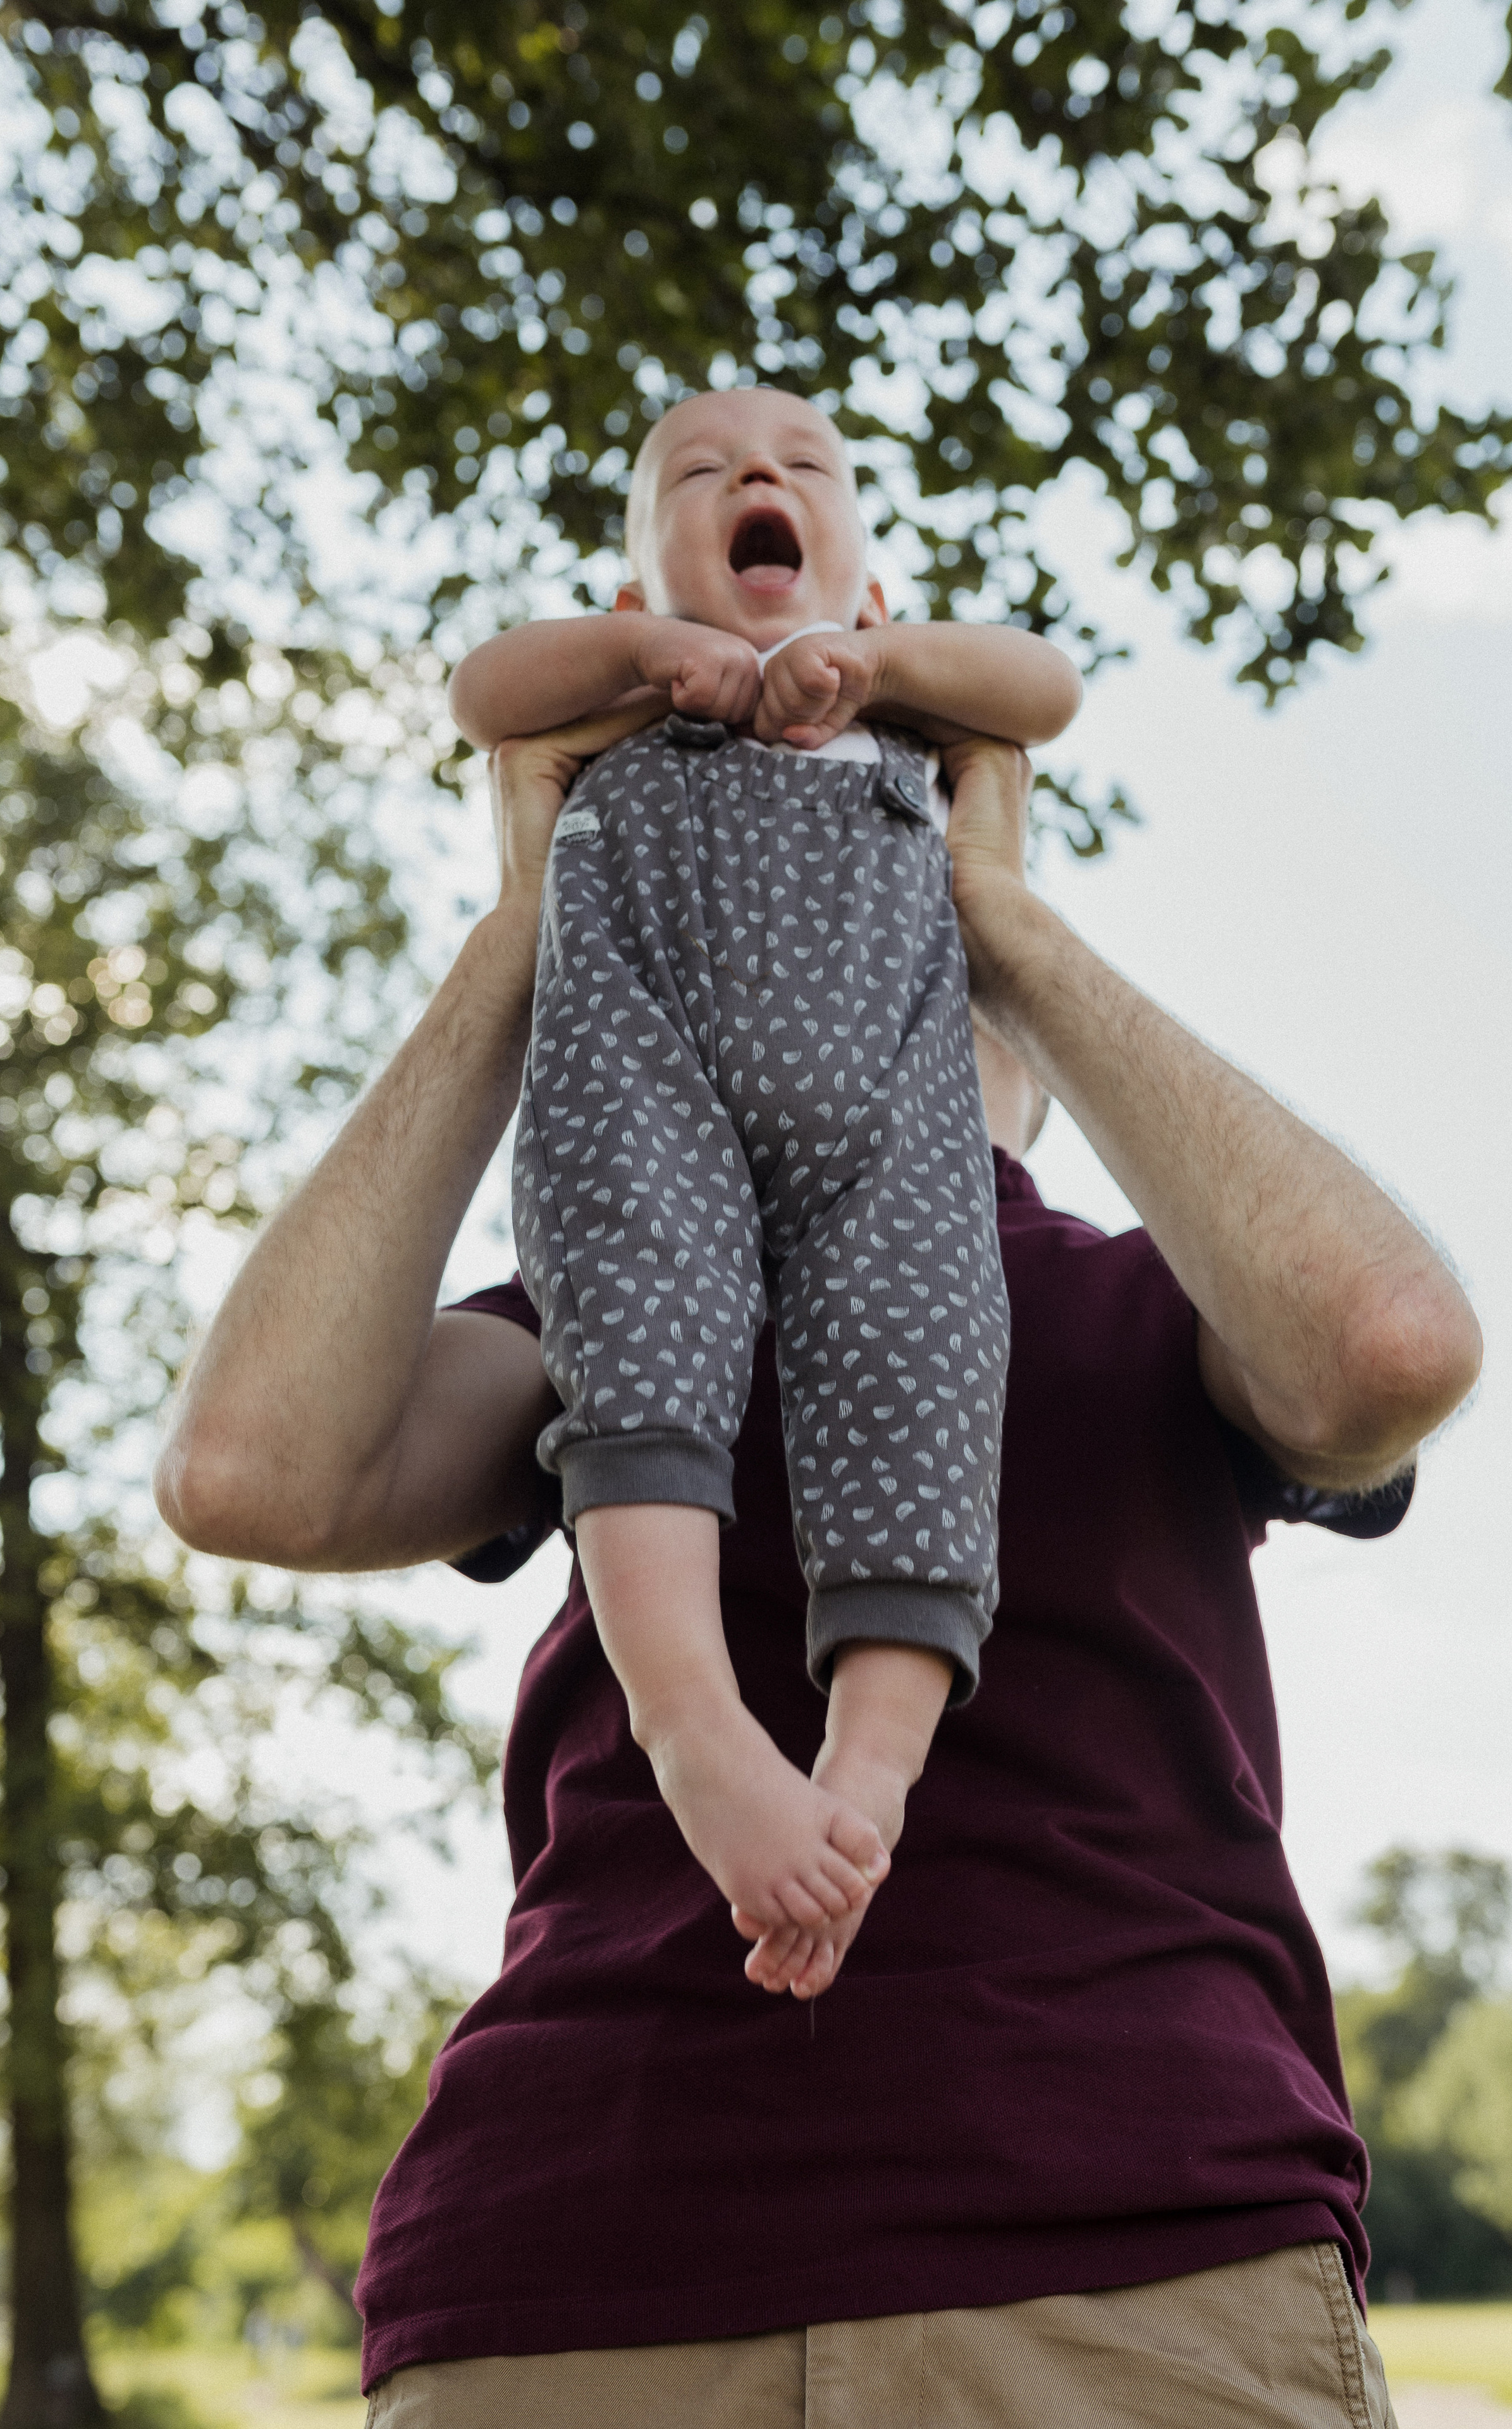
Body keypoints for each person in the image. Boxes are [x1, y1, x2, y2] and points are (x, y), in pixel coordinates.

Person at [155, 719, 1481, 2426]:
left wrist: (1000, 919)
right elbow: (247, 1469)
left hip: (1130, 2255)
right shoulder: (617, 1309)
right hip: (585, 2269)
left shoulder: (1156, 1301)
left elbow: (1390, 1344)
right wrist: (529, 937)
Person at [445, 386, 1083, 1996]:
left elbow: (1044, 687)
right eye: (701, 470)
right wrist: (641, 665)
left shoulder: (894, 715)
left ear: (861, 590)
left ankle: (869, 1773)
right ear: (633, 582)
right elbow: (481, 690)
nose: (757, 477)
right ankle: (694, 1723)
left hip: (888, 1111)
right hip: (643, 1070)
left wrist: (884, 669)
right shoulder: (616, 711)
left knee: (924, 1361)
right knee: (634, 1367)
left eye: (806, 468)